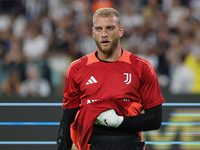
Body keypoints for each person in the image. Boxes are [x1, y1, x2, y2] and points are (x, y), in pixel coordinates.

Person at [57, 8, 165, 150]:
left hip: (129, 144)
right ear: (92, 32)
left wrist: (118, 121)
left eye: (110, 28)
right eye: (99, 29)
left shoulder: (141, 67)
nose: (104, 34)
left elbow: (155, 120)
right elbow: (67, 120)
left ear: (120, 31)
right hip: (91, 144)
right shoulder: (77, 68)